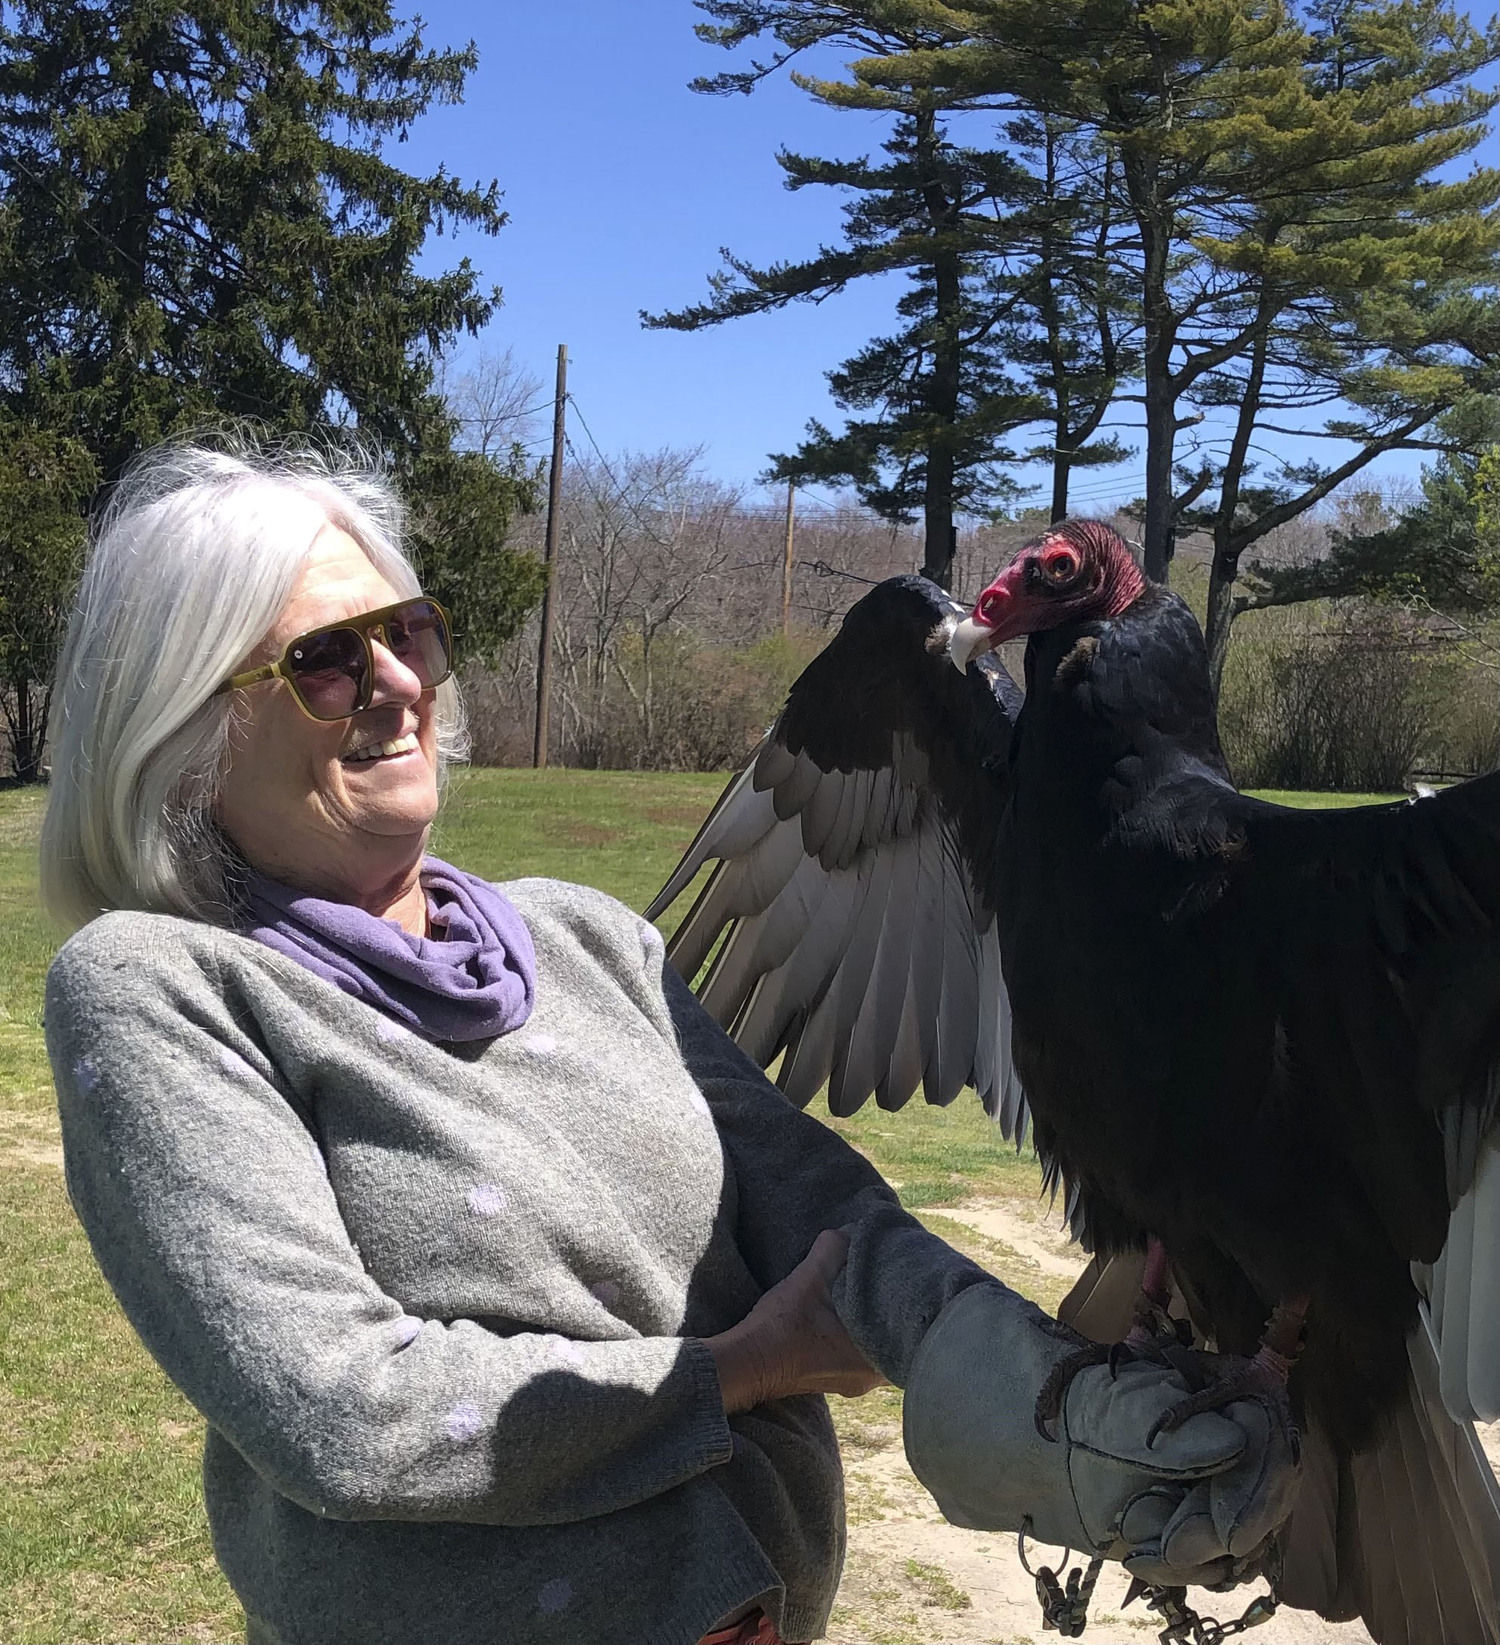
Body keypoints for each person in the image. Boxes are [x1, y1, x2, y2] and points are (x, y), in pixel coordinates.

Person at [39, 440, 1298, 1645]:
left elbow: (823, 1211)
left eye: (408, 630)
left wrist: (1047, 1401)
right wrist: (741, 1367)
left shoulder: (585, 938)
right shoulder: (162, 986)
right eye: (324, 659)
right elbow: (339, 1411)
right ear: (183, 726)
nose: (401, 683)